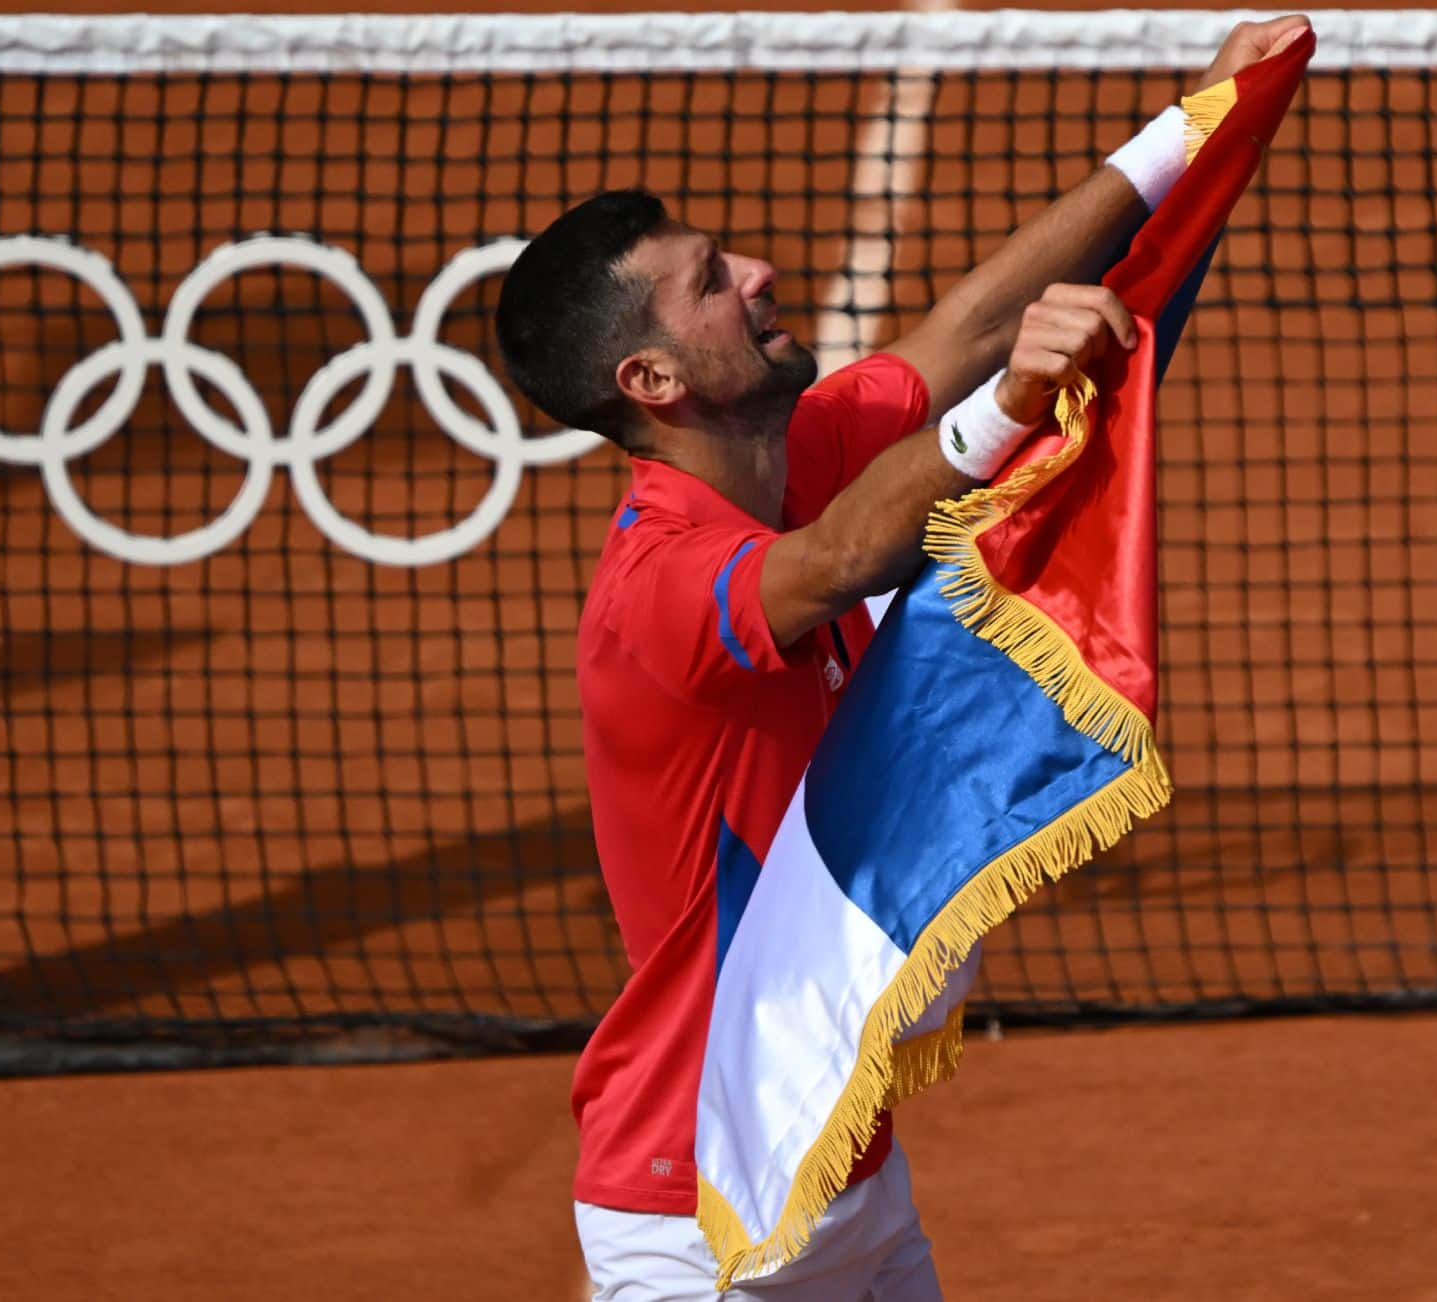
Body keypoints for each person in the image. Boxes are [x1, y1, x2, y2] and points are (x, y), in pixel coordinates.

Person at [494, 15, 1309, 1299]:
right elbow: (833, 566)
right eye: (711, 279)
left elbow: (969, 328)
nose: (758, 271)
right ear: (649, 378)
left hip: (843, 1161)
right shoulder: (656, 587)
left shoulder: (788, 451)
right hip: (698, 1213)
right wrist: (1009, 415)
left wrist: (1184, 133)